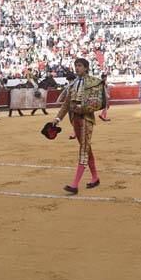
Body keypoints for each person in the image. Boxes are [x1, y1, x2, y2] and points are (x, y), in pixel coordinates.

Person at [53, 59, 105, 194]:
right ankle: (95, 177)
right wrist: (58, 118)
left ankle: (75, 185)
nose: (77, 68)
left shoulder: (94, 82)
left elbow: (98, 103)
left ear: (86, 68)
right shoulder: (73, 84)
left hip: (86, 119)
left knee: (83, 149)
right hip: (74, 120)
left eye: (80, 66)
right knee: (87, 148)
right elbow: (66, 104)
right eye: (76, 66)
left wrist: (81, 108)